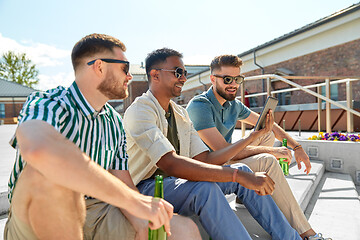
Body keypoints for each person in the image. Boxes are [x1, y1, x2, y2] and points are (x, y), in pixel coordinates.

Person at [3, 34, 201, 240]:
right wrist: (133, 201)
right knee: (50, 178)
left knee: (182, 229)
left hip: (99, 211)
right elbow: (40, 151)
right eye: (125, 68)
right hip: (37, 214)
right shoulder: (49, 103)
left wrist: (142, 220)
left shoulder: (115, 122)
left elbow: (124, 181)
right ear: (99, 67)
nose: (130, 76)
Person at [123, 47, 302, 240]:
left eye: (185, 73)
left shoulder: (180, 114)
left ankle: (291, 237)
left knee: (244, 170)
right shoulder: (140, 111)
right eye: (178, 72)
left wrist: (250, 139)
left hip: (177, 183)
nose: (183, 78)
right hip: (146, 186)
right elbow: (171, 164)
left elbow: (206, 159)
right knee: (207, 189)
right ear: (155, 75)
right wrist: (235, 175)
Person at [186, 54, 331, 240]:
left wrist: (297, 148)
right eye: (227, 79)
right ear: (213, 79)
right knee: (268, 160)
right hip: (210, 166)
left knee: (267, 131)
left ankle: (245, 194)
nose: (233, 84)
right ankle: (307, 233)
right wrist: (273, 151)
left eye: (237, 79)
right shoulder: (199, 106)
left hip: (228, 159)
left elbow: (268, 125)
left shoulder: (234, 105)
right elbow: (221, 150)